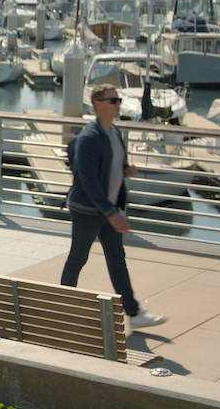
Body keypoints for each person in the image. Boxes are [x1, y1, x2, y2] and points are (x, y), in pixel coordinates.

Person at [62, 83, 168, 330]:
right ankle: (63, 305)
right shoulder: (89, 138)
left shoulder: (113, 132)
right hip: (88, 210)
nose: (118, 104)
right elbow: (88, 181)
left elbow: (107, 163)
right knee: (78, 258)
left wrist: (125, 169)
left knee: (117, 260)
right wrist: (112, 213)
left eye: (118, 100)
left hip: (108, 209)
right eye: (113, 101)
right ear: (98, 105)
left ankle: (134, 312)